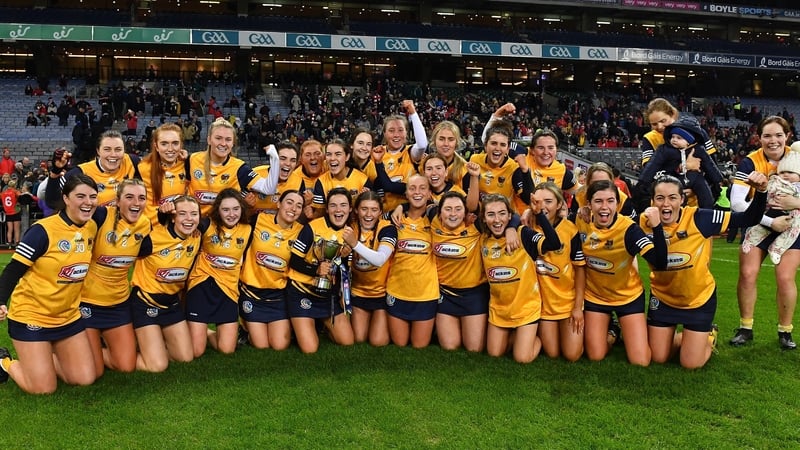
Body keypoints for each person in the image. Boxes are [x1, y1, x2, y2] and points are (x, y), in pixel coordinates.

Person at [643, 173, 768, 368]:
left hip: (698, 299)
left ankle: (708, 336)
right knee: (658, 357)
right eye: (660, 198)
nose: (665, 204)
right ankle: (687, 339)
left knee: (690, 364)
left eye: (672, 197)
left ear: (682, 199)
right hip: (663, 298)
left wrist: (761, 191)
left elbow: (748, 218)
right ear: (652, 201)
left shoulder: (700, 217)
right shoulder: (643, 223)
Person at [0, 174, 99, 394]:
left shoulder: (91, 227)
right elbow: (13, 270)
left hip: (68, 317)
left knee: (84, 379)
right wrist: (0, 300)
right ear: (66, 199)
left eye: (93, 197)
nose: (88, 202)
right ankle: (4, 361)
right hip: (32, 316)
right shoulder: (42, 231)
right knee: (43, 388)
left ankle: (42, 357)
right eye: (80, 196)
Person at [576, 180, 667, 366]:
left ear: (617, 204)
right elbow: (555, 216)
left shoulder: (629, 230)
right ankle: (613, 333)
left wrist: (657, 227)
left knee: (640, 361)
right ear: (589, 204)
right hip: (595, 297)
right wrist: (525, 216)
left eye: (610, 201)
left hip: (628, 297)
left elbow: (659, 263)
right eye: (598, 201)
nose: (604, 207)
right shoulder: (580, 221)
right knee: (595, 356)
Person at [729, 116, 794, 348]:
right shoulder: (750, 162)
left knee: (785, 277)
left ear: (787, 136)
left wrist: (795, 203)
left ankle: (785, 332)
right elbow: (737, 203)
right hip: (760, 221)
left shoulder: (797, 157)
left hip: (791, 224)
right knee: (748, 273)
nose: (773, 140)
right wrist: (770, 221)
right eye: (767, 135)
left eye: (778, 135)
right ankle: (745, 328)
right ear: (759, 138)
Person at [80, 178, 150, 376]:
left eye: (141, 198)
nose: (136, 203)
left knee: (126, 366)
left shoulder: (145, 225)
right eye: (129, 197)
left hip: (118, 303)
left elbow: (149, 250)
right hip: (87, 302)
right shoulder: (101, 216)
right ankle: (62, 352)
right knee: (94, 372)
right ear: (117, 201)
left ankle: (93, 348)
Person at [480, 193, 561, 363]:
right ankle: (519, 337)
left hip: (526, 309)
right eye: (491, 214)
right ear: (484, 219)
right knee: (494, 354)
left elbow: (554, 244)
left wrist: (538, 214)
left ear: (509, 216)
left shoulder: (522, 234)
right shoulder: (483, 238)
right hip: (499, 309)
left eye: (502, 213)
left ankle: (534, 339)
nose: (497, 220)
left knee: (522, 358)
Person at [129, 196, 201, 372]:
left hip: (171, 305)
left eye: (194, 214)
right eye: (182, 214)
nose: (189, 219)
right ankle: (111, 355)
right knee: (157, 366)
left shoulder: (197, 237)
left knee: (185, 358)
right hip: (146, 303)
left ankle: (152, 346)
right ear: (173, 217)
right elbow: (122, 252)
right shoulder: (153, 238)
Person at [288, 187, 355, 353]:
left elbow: (342, 272)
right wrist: (316, 270)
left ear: (350, 209)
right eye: (333, 205)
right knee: (310, 348)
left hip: (327, 296)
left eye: (343, 205)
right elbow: (294, 261)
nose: (338, 210)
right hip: (302, 290)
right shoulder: (312, 227)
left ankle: (319, 324)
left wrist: (344, 258)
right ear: (327, 209)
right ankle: (300, 324)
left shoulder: (350, 233)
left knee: (347, 341)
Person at [185, 189, 251, 357]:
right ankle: (193, 329)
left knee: (227, 350)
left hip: (228, 289)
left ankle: (206, 332)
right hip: (202, 284)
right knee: (196, 351)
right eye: (225, 209)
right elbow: (184, 225)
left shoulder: (248, 229)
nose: (231, 214)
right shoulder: (207, 224)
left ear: (242, 209)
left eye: (235, 209)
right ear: (218, 210)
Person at [239, 190, 305, 350]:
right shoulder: (259, 220)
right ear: (279, 204)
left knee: (280, 345)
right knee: (261, 345)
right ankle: (243, 329)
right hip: (252, 292)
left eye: (299, 206)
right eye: (289, 202)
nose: (293, 208)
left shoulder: (303, 232)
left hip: (278, 294)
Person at [530, 182, 586, 362]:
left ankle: (606, 331)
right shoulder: (527, 227)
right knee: (552, 353)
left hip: (567, 302)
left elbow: (580, 270)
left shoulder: (570, 230)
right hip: (543, 306)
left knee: (572, 355)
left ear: (560, 204)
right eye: (538, 201)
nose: (543, 206)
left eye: (548, 201)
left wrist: (577, 307)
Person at [385, 174, 439, 348]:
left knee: (419, 345)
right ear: (406, 193)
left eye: (422, 188)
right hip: (397, 290)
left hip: (426, 293)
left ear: (429, 193)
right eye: (412, 188)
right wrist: (401, 207)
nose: (417, 192)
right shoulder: (393, 218)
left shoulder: (437, 220)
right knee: (399, 344)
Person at [431, 190, 488, 352]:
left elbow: (510, 218)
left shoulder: (475, 227)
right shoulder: (434, 223)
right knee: (450, 346)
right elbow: (414, 207)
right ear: (439, 212)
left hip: (474, 294)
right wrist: (401, 208)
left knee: (474, 348)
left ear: (465, 213)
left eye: (458, 209)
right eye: (448, 209)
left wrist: (512, 229)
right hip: (446, 294)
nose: (453, 214)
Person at [186, 118, 279, 216]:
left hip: (224, 223)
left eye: (228, 139)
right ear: (209, 140)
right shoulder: (192, 159)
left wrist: (275, 159)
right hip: (194, 222)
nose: (223, 143)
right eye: (218, 138)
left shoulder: (239, 168)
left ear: (233, 143)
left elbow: (269, 189)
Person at [342, 191, 397, 347]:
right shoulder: (350, 228)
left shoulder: (387, 228)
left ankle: (383, 320)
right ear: (356, 210)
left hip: (382, 294)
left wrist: (354, 244)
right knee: (358, 339)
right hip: (359, 292)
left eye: (374, 210)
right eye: (364, 209)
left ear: (380, 212)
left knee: (378, 341)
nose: (368, 214)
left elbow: (380, 260)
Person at [637, 116, 723, 209]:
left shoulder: (699, 150)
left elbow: (709, 165)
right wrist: (643, 181)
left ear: (689, 141)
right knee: (676, 192)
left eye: (679, 138)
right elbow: (652, 165)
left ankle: (707, 211)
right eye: (673, 137)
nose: (674, 140)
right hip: (675, 179)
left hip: (695, 178)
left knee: (704, 192)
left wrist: (718, 179)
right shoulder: (664, 149)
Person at [47, 130, 141, 208]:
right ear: (98, 151)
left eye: (118, 149)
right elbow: (53, 203)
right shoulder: (81, 172)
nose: (113, 154)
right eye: (107, 149)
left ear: (124, 151)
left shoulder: (132, 162)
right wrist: (56, 171)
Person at [741, 151, 800, 265]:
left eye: (790, 172)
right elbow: (765, 195)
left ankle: (777, 248)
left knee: (792, 233)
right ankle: (750, 240)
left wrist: (795, 203)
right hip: (772, 212)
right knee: (760, 228)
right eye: (782, 172)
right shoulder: (775, 182)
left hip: (792, 218)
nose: (786, 175)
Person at [373, 100, 428, 212]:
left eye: (400, 130)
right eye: (391, 131)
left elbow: (422, 144)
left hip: (407, 214)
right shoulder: (376, 153)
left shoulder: (411, 152)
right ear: (384, 133)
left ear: (406, 132)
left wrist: (413, 113)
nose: (396, 135)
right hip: (382, 215)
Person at [468, 124, 534, 213]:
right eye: (493, 143)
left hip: (504, 217)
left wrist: (525, 171)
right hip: (480, 215)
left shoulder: (514, 168)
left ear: (507, 149)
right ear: (485, 145)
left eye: (502, 145)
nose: (497, 148)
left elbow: (528, 199)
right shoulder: (475, 160)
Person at [139, 123, 188, 225]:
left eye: (175, 143)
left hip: (180, 228)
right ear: (156, 146)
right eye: (164, 144)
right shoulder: (142, 168)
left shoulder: (188, 165)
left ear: (181, 145)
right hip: (152, 228)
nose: (170, 149)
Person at [309, 139, 370, 219]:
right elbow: (319, 215)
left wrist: (363, 201)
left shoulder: (363, 180)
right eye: (329, 154)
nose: (332, 158)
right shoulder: (321, 182)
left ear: (347, 157)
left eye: (338, 154)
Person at [246, 141, 298, 215]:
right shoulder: (255, 174)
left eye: (293, 160)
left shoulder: (299, 181)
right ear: (273, 160)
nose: (288, 163)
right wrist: (244, 204)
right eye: (283, 158)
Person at [429, 120, 468, 185]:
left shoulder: (465, 170)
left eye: (451, 139)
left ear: (456, 143)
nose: (446, 144)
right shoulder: (425, 165)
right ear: (434, 141)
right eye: (441, 139)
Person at [1, 180, 21, 248]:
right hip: (15, 212)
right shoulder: (15, 191)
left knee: (10, 229)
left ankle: (9, 243)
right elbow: (20, 196)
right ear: (14, 186)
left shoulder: (3, 193)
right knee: (16, 229)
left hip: (8, 213)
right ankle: (17, 243)